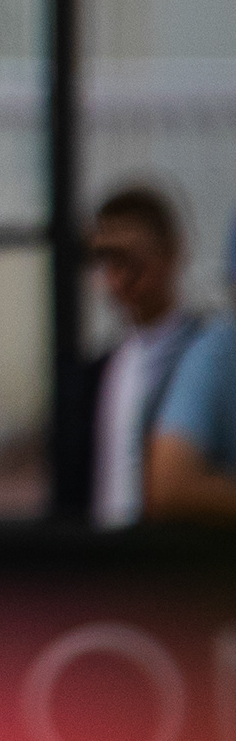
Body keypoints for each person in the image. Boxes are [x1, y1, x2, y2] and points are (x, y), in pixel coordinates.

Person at [86, 186, 233, 525]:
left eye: (130, 260)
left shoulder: (209, 359)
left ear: (170, 254)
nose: (116, 279)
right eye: (105, 261)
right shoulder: (100, 370)